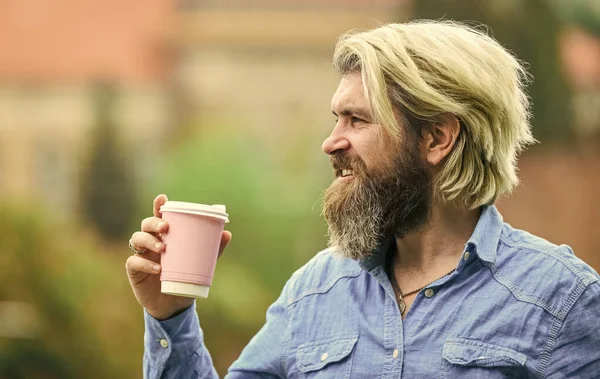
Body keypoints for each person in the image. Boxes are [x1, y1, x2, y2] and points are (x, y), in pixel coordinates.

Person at [126, 20, 600, 378]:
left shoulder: (561, 300)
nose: (330, 142)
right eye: (336, 118)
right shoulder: (314, 292)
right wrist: (170, 315)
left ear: (436, 138)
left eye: (356, 120)